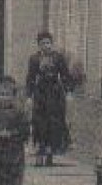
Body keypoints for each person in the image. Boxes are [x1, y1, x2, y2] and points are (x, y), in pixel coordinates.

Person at [26, 31, 75, 166]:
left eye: (48, 43)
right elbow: (30, 78)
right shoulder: (34, 59)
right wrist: (29, 96)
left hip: (55, 93)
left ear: (51, 44)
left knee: (54, 121)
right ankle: (40, 150)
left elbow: (65, 75)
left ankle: (50, 152)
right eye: (43, 43)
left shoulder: (58, 58)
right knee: (40, 121)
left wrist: (69, 92)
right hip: (41, 93)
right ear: (39, 45)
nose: (46, 46)